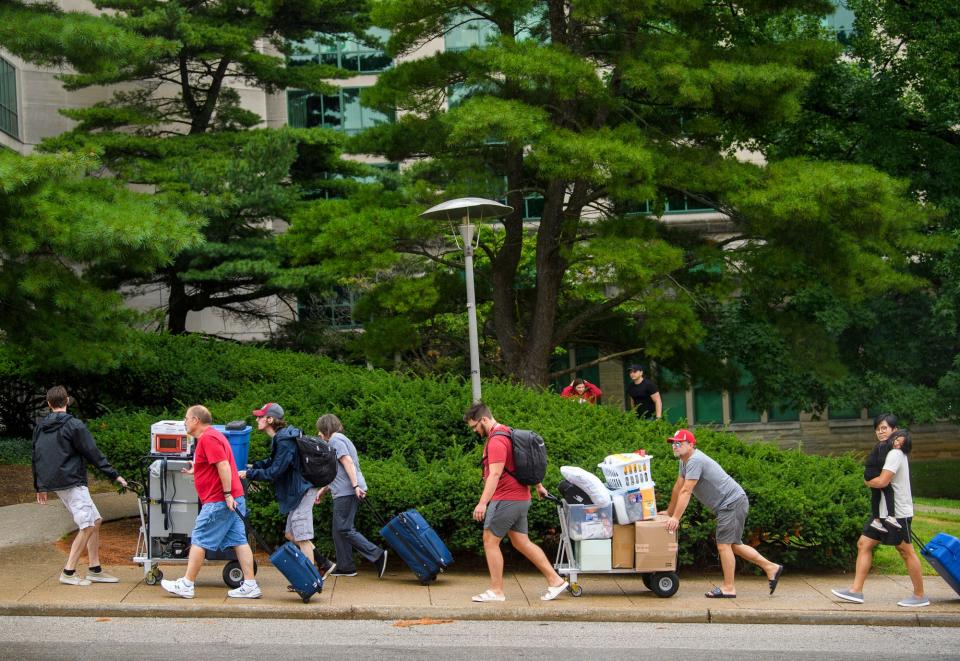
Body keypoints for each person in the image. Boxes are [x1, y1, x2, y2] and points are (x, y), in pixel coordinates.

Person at [463, 402, 569, 603]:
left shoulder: (496, 441)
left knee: (489, 541)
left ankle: (496, 591)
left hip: (506, 498)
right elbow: (524, 462)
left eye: (475, 426)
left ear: (484, 419)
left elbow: (495, 474)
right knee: (522, 542)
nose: (475, 431)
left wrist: (482, 503)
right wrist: (538, 486)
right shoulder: (509, 433)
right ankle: (555, 580)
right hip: (521, 497)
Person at [662, 428, 783, 598]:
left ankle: (729, 588)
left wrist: (675, 517)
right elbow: (678, 486)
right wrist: (669, 511)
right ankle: (771, 568)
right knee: (733, 545)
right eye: (673, 443)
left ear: (690, 444)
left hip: (731, 503)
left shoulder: (695, 460)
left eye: (678, 443)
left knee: (724, 545)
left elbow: (686, 491)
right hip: (730, 503)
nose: (675, 446)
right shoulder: (684, 460)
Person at [161, 405, 261, 599]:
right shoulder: (212, 436)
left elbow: (223, 465)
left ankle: (187, 584)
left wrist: (226, 494)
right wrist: (196, 469)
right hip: (232, 498)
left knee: (199, 537)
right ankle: (250, 585)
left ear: (196, 420)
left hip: (220, 500)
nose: (184, 421)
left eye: (186, 418)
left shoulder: (208, 438)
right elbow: (214, 464)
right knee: (239, 540)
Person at [32, 385, 128, 586]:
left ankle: (95, 569)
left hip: (57, 483)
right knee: (87, 525)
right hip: (73, 481)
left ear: (49, 404)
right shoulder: (75, 425)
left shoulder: (40, 427)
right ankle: (68, 572)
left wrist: (40, 486)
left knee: (96, 520)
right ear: (67, 401)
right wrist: (114, 475)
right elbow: (92, 452)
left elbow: (37, 456)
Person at [832, 414, 929, 607]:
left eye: (884, 428)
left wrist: (868, 481)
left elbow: (883, 481)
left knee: (905, 551)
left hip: (898, 512)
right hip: (881, 512)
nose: (880, 431)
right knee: (864, 544)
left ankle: (920, 596)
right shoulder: (885, 451)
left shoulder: (895, 453)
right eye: (878, 428)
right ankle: (856, 591)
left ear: (894, 430)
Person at [239, 402, 336, 583]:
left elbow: (275, 472)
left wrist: (250, 473)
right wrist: (254, 466)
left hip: (303, 491)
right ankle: (324, 564)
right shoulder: (281, 438)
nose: (257, 419)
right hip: (300, 491)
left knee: (302, 536)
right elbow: (274, 462)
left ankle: (311, 580)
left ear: (270, 419)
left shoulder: (284, 440)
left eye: (260, 416)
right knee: (290, 535)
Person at [314, 414, 388, 579]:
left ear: (326, 428)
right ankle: (346, 567)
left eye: (320, 430)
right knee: (338, 530)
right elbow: (339, 471)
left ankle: (377, 554)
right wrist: (323, 489)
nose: (318, 434)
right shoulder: (339, 439)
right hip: (344, 490)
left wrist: (355, 486)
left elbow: (347, 462)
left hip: (347, 491)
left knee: (344, 528)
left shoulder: (335, 440)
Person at [864, 429, 910, 533]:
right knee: (889, 491)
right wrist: (882, 473)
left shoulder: (882, 445)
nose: (897, 445)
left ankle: (876, 520)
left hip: (869, 472)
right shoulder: (885, 446)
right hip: (873, 472)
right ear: (894, 437)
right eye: (897, 440)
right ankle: (891, 516)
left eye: (901, 444)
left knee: (876, 495)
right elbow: (881, 461)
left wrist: (868, 480)